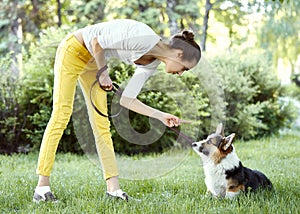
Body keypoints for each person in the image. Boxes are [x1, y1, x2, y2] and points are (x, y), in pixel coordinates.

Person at [33, 19, 201, 202]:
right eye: (184, 68)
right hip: (73, 50)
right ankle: (42, 189)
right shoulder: (143, 37)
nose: (181, 73)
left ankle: (113, 191)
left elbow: (127, 99)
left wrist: (161, 116)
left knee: (101, 124)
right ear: (179, 53)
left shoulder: (151, 64)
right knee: (61, 114)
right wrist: (103, 72)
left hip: (93, 61)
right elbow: (96, 42)